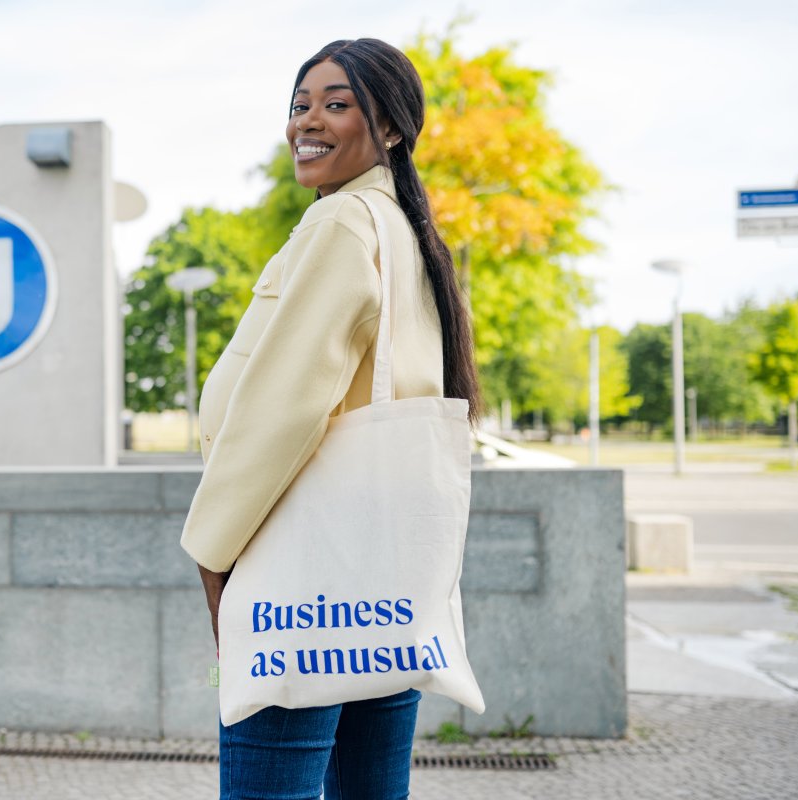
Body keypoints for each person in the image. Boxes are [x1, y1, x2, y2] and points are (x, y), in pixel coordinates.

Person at [178, 38, 481, 798]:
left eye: (336, 104)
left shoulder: (342, 224)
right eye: (299, 104)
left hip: (301, 569)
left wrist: (212, 553)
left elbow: (283, 410)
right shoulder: (402, 228)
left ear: (390, 129)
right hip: (379, 575)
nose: (306, 122)